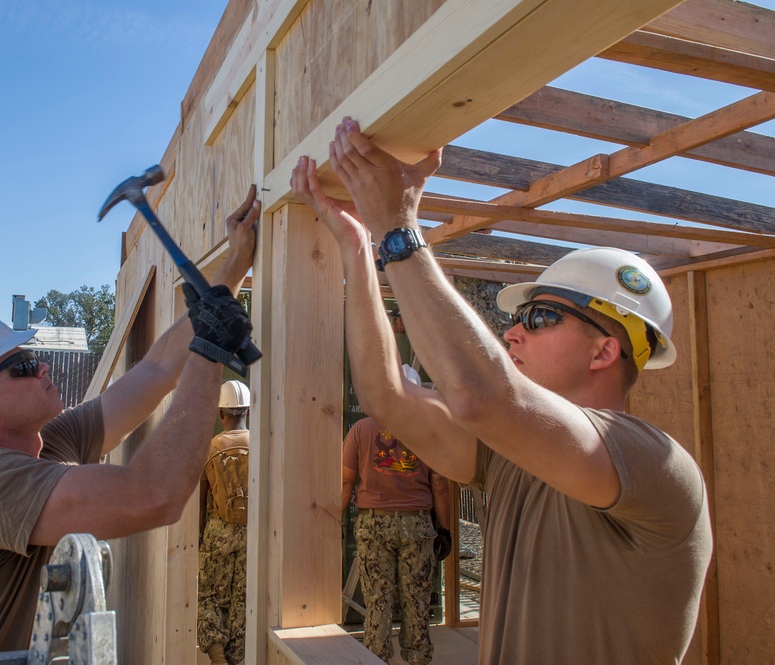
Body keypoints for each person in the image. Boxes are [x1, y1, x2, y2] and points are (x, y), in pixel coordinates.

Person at [290, 118, 712, 664]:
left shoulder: (653, 463)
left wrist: (398, 227)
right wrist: (357, 246)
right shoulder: (511, 456)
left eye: (539, 317)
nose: (512, 330)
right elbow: (387, 395)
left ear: (604, 351)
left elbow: (482, 395)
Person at [0, 187, 260, 657]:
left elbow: (157, 369)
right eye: (21, 366)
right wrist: (211, 349)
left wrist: (229, 273)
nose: (42, 367)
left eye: (33, 357)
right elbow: (154, 496)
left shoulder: (46, 444)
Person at [342, 364, 451, 664]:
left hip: (373, 524)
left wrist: (334, 520)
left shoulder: (361, 429)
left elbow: (345, 481)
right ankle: (417, 658)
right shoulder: (428, 432)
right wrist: (444, 529)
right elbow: (440, 484)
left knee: (378, 603)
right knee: (417, 603)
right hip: (416, 525)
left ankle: (377, 657)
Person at [197, 379, 251, 665]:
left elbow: (201, 501)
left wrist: (198, 538)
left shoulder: (210, 447)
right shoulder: (260, 445)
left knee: (209, 597)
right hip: (250, 535)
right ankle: (237, 659)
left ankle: (217, 656)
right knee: (242, 602)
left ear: (221, 414)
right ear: (248, 412)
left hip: (218, 533)